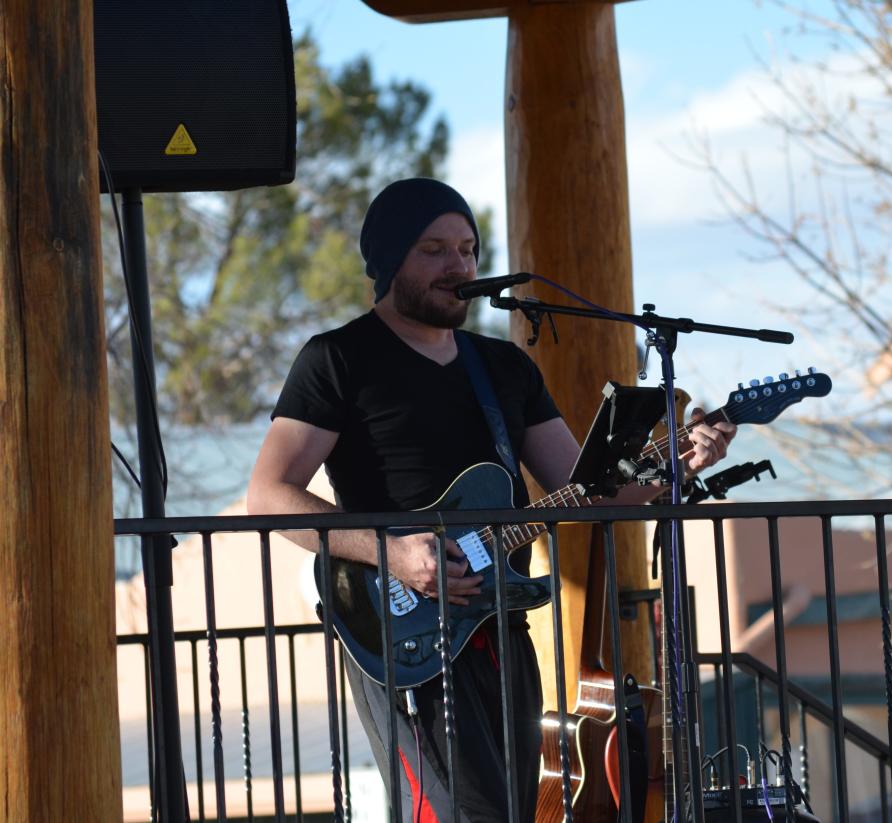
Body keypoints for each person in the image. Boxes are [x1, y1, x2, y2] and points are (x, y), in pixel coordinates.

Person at [246, 177, 736, 822]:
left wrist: (676, 465)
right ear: (390, 260)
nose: (460, 266)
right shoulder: (337, 358)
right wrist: (391, 552)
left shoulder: (503, 367)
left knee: (508, 812)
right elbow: (268, 495)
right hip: (401, 630)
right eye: (435, 250)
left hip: (499, 627)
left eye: (469, 249)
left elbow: (589, 490)